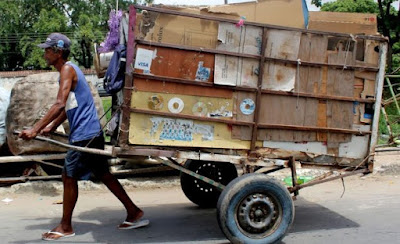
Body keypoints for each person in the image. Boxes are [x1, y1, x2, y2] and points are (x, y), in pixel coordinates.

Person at [19, 33, 149, 241]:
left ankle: (66, 226)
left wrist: (35, 129)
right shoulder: (67, 70)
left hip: (85, 134)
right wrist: (52, 127)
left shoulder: (68, 70)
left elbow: (59, 103)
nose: (44, 54)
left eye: (47, 50)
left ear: (58, 52)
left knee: (68, 176)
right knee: (103, 174)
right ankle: (134, 212)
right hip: (89, 132)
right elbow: (69, 106)